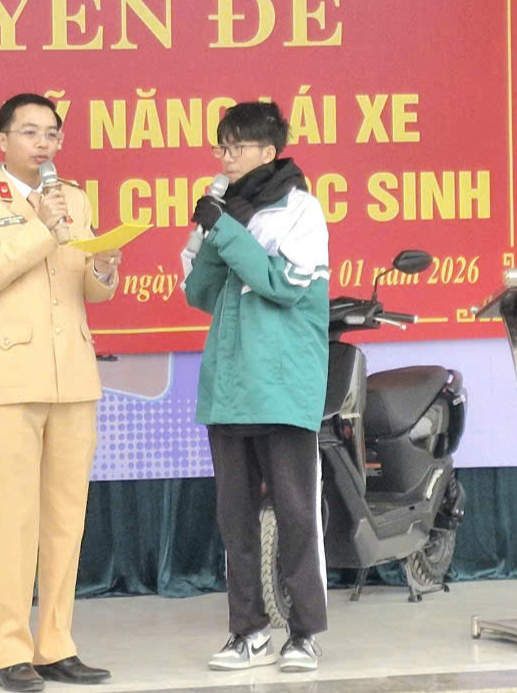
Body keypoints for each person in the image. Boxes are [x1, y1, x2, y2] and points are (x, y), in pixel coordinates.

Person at [0, 93, 121, 692]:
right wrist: (42, 228)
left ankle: (57, 644)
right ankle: (10, 651)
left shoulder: (75, 197)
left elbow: (88, 288)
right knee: (15, 521)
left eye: (51, 134)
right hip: (12, 380)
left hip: (74, 375)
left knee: (67, 520)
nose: (43, 144)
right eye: (29, 132)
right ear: (2, 139)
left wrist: (104, 266)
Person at [181, 101, 331, 673]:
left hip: (282, 385)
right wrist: (210, 232)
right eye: (221, 147)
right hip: (229, 386)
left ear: (268, 151)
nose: (225, 158)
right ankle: (247, 631)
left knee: (296, 515)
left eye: (236, 147)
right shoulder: (225, 210)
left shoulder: (301, 210)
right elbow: (199, 294)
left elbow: (282, 284)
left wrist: (227, 230)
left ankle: (304, 632)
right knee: (235, 520)